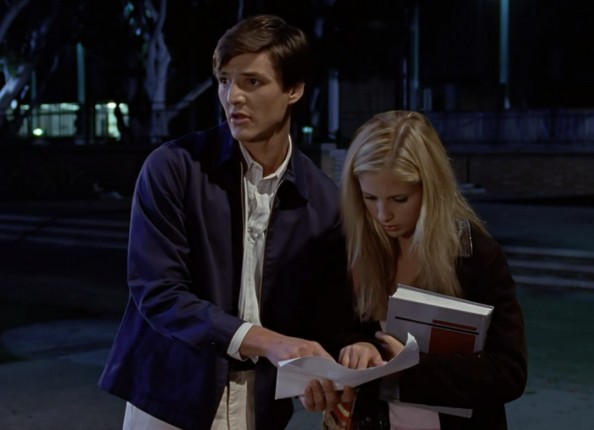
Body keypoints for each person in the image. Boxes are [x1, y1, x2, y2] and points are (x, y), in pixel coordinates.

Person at [99, 14, 372, 430]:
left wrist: (345, 355)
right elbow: (157, 292)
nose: (233, 97)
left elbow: (327, 316)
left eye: (252, 82)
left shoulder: (322, 200)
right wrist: (270, 343)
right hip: (169, 399)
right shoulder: (174, 168)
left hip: (260, 406)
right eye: (225, 81)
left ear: (294, 90)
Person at [335, 110, 528, 429]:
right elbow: (336, 329)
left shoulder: (475, 255)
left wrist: (414, 368)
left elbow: (509, 372)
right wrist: (358, 345)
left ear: (431, 188)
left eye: (399, 198)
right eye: (369, 197)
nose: (383, 215)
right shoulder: (352, 247)